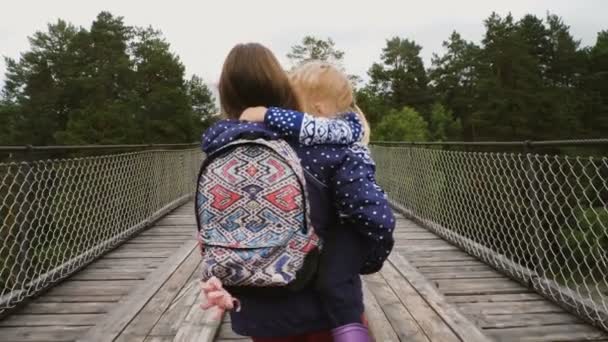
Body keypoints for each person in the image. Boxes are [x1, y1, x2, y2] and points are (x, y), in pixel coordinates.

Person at [200, 43, 395, 342]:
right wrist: (369, 255)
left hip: (258, 313)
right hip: (322, 310)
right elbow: (368, 210)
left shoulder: (218, 150)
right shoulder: (323, 145)